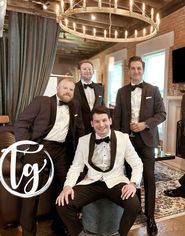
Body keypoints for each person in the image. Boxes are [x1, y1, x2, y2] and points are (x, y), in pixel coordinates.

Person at [56, 106, 143, 236]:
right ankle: (80, 233)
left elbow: (137, 163)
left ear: (110, 121)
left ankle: (121, 234)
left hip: (116, 181)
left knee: (134, 205)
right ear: (92, 123)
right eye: (97, 121)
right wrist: (67, 186)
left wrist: (132, 183)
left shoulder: (123, 138)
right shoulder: (83, 141)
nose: (101, 125)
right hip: (91, 182)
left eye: (104, 120)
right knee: (62, 204)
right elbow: (76, 167)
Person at [14, 78, 85, 236]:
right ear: (57, 88)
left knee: (66, 185)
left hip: (62, 150)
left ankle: (59, 225)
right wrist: (27, 149)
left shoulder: (76, 105)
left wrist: (83, 153)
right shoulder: (42, 101)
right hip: (39, 147)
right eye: (65, 88)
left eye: (71, 89)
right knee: (31, 189)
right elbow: (21, 123)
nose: (68, 91)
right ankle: (28, 232)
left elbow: (79, 130)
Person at [113, 56, 166, 235]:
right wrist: (120, 138)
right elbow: (117, 117)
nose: (136, 71)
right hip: (128, 141)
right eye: (133, 68)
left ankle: (150, 216)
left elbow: (162, 114)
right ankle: (135, 208)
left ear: (143, 70)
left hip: (148, 141)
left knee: (149, 177)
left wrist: (145, 124)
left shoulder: (154, 89)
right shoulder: (121, 92)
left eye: (139, 68)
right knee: (130, 177)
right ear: (129, 70)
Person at [74, 60, 104, 134]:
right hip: (80, 128)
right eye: (84, 69)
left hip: (97, 127)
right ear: (80, 72)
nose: (87, 71)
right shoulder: (73, 87)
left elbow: (102, 106)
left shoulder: (100, 88)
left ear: (93, 71)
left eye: (90, 69)